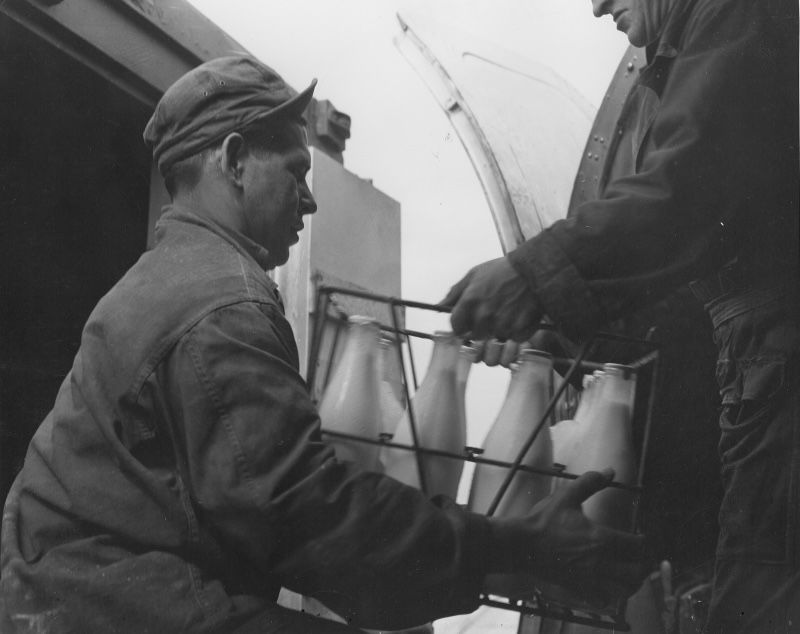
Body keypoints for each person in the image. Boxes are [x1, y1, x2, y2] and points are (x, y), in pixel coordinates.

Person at [0, 56, 646, 633]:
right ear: (231, 160)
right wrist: (511, 547)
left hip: (64, 587)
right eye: (296, 171)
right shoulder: (224, 306)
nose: (310, 200)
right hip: (98, 602)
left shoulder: (169, 275)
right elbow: (302, 512)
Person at [443, 0, 799, 632]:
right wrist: (558, 325)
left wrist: (534, 276)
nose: (596, 4)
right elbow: (695, 258)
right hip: (759, 367)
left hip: (780, 371)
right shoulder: (706, 38)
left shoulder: (741, 14)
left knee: (762, 595)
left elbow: (685, 191)